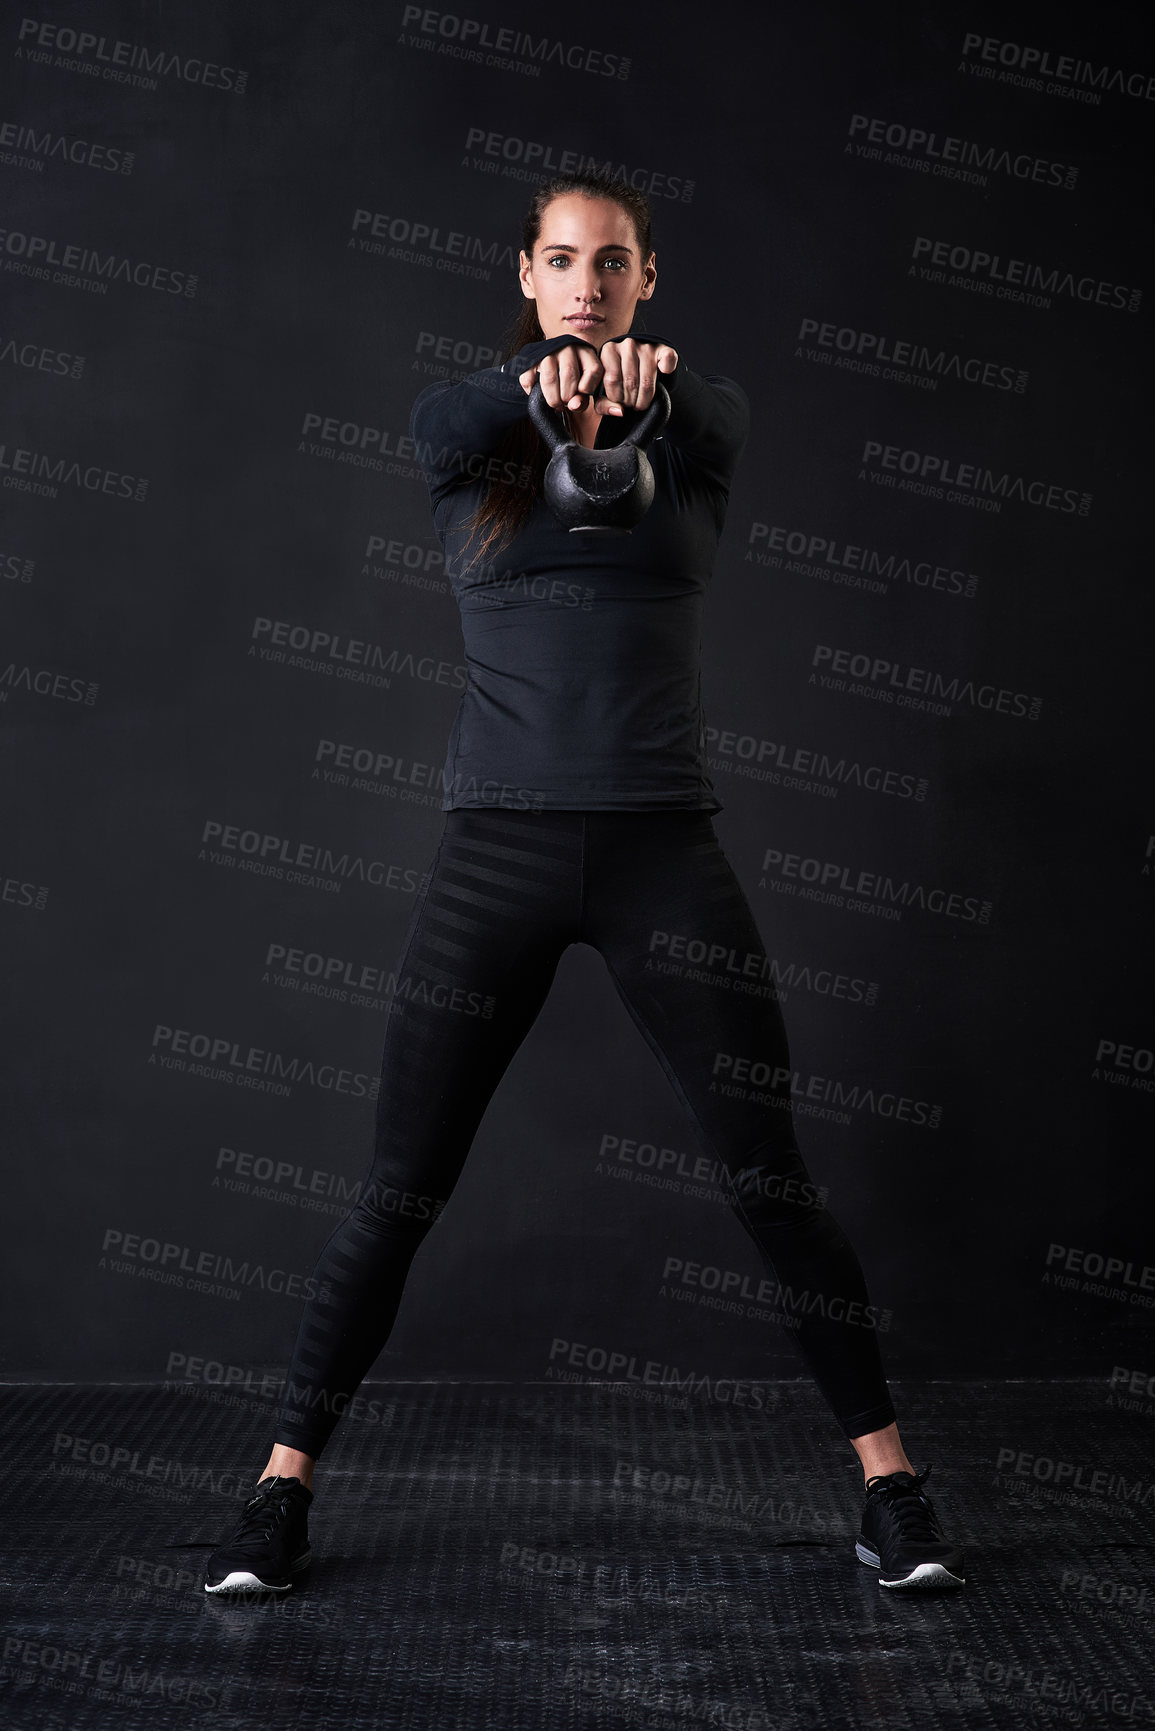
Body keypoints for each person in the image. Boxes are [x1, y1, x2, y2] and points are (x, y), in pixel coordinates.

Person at [203, 171, 964, 1596]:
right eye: (563, 261)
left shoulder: (705, 429)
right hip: (493, 850)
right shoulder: (470, 444)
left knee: (771, 1180)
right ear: (529, 273)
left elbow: (710, 417)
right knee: (397, 1191)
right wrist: (546, 398)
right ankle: (275, 1497)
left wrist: (645, 403)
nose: (588, 283)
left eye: (613, 265)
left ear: (648, 279)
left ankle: (895, 1493)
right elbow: (445, 418)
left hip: (662, 849)